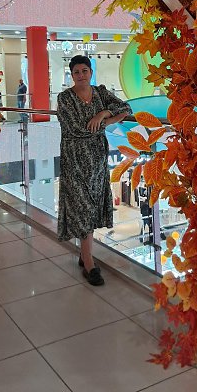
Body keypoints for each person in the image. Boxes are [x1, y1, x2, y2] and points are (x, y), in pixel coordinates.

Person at [57, 55, 131, 286]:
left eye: (84, 71)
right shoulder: (64, 98)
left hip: (97, 159)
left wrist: (103, 115)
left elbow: (125, 108)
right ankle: (89, 262)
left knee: (92, 203)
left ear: (90, 72)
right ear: (71, 75)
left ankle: (84, 254)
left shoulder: (101, 93)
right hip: (75, 159)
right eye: (76, 72)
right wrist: (107, 122)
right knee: (82, 206)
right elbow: (76, 128)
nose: (81, 75)